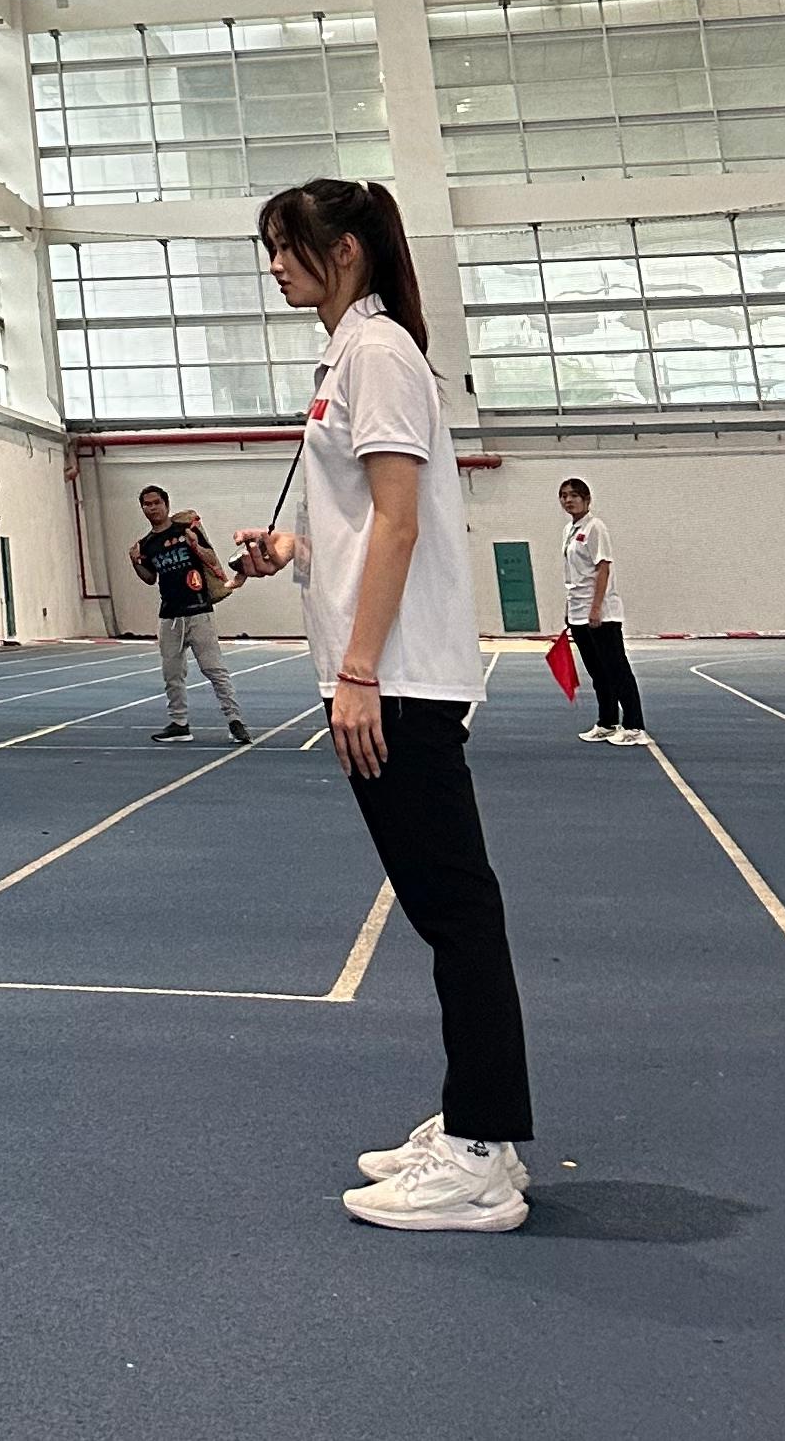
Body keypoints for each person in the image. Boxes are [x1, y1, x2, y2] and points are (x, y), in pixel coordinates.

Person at [232, 179, 533, 1233]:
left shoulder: (380, 354)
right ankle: (478, 1124)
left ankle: (481, 1152)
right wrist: (294, 549)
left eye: (287, 246)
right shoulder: (349, 356)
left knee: (456, 911)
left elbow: (402, 524)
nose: (274, 264)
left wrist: (359, 671)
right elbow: (366, 526)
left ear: (347, 250)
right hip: (380, 673)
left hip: (396, 679)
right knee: (446, 908)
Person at [133, 484, 247, 744]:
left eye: (156, 503)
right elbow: (150, 578)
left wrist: (196, 546)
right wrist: (135, 562)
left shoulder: (186, 531)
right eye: (147, 504)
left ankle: (235, 721)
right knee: (172, 673)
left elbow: (211, 560)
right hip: (169, 616)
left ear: (166, 504)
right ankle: (179, 723)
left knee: (214, 669)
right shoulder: (147, 544)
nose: (152, 508)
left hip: (199, 611)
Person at [560, 479, 649, 747]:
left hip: (600, 613)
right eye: (564, 496)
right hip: (577, 611)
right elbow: (574, 574)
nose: (568, 500)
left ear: (587, 499)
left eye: (574, 495)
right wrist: (569, 609)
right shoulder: (569, 530)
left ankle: (634, 725)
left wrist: (596, 607)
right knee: (598, 672)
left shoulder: (595, 527)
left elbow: (603, 568)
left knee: (616, 668)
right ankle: (607, 721)